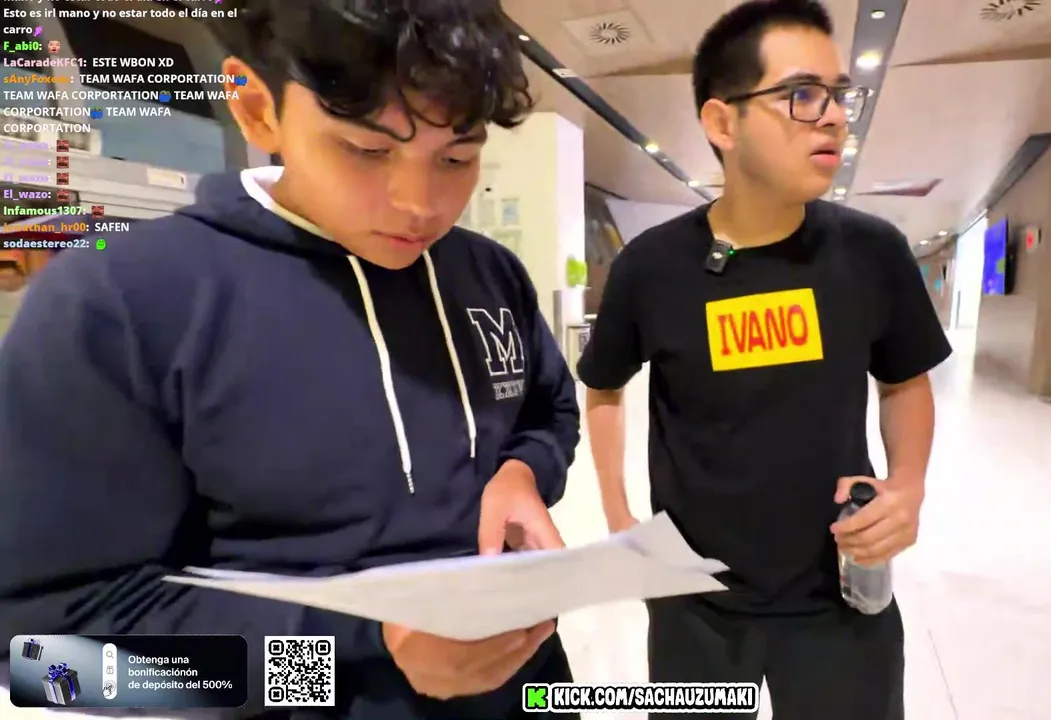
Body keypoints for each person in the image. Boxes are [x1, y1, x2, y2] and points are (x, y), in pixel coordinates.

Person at [0, 1, 580, 718]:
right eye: (366, 150)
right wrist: (362, 652)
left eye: (457, 157)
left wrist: (522, 474)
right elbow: (52, 660)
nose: (420, 204)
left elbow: (549, 410)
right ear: (256, 109)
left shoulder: (488, 274)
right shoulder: (117, 302)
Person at [577, 1, 951, 717]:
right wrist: (619, 516)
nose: (834, 117)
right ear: (723, 123)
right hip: (694, 601)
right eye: (802, 95)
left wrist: (907, 486)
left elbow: (905, 381)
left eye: (838, 95)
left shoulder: (871, 252)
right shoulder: (652, 268)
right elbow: (603, 387)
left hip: (841, 598)